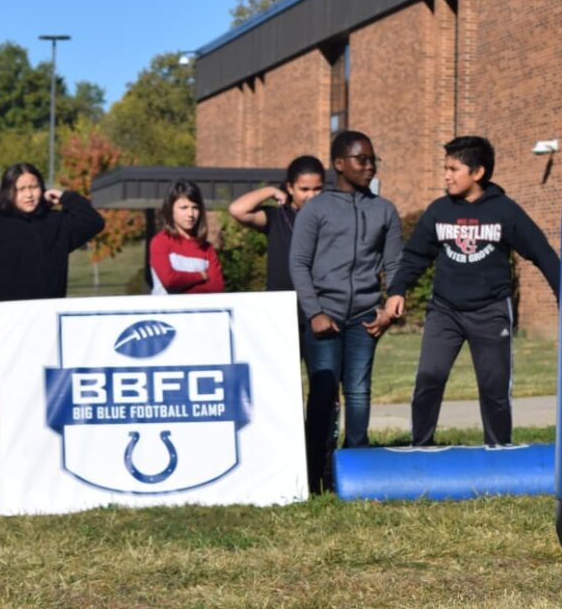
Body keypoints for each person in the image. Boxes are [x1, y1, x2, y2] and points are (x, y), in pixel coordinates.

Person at [385, 136, 560, 448]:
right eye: (445, 168)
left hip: (491, 311)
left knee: (494, 388)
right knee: (429, 379)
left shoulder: (504, 211)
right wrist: (398, 289)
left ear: (477, 172)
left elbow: (541, 252)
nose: (447, 175)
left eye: (454, 168)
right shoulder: (439, 211)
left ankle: (499, 450)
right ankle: (420, 447)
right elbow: (415, 256)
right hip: (444, 311)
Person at [289, 130, 402, 493]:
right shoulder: (316, 209)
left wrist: (389, 307)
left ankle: (357, 468)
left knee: (358, 390)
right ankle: (316, 474)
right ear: (339, 163)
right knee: (323, 395)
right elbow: (299, 263)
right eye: (361, 159)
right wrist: (314, 312)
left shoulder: (384, 210)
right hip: (325, 316)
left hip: (365, 317)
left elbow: (395, 263)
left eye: (372, 160)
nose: (369, 166)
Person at [0, 163, 105, 343]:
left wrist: (65, 197)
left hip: (49, 321)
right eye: (21, 189)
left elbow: (93, 221)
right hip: (7, 324)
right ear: (8, 192)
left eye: (34, 187)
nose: (29, 195)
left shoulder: (56, 223)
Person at [227, 155, 326, 293]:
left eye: (317, 189)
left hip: (318, 302)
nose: (311, 196)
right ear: (290, 188)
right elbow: (237, 210)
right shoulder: (277, 217)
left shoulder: (329, 217)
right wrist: (270, 191)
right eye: (304, 189)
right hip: (280, 303)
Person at [149, 180, 224, 295]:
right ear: (170, 209)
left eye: (195, 207)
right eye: (184, 207)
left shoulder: (207, 248)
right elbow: (169, 280)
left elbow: (217, 287)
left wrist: (180, 287)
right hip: (166, 312)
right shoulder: (160, 242)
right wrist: (201, 276)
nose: (190, 214)